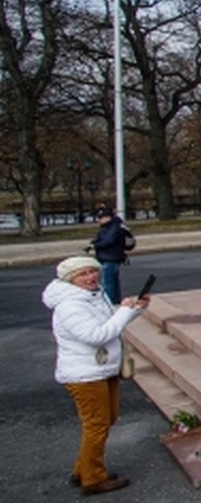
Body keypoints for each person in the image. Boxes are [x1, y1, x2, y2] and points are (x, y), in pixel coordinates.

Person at [42, 255, 150, 496]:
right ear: (71, 279)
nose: (91, 277)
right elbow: (97, 335)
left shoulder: (91, 295)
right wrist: (123, 311)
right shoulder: (69, 306)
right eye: (83, 274)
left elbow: (110, 319)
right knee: (97, 424)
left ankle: (83, 469)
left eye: (93, 272)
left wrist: (134, 310)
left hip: (101, 369)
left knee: (106, 419)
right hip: (85, 375)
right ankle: (93, 478)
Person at [88, 205, 128, 305]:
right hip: (110, 256)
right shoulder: (110, 227)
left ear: (108, 217)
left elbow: (109, 241)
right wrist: (95, 242)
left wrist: (95, 246)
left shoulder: (114, 228)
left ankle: (109, 302)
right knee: (112, 281)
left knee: (108, 282)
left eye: (100, 218)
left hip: (110, 257)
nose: (98, 220)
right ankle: (115, 301)